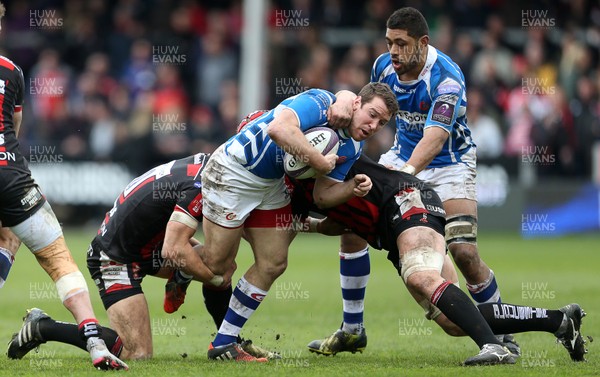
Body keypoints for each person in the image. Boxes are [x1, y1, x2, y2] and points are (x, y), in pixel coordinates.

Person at [315, 6, 514, 354]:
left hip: (450, 163)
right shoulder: (382, 66)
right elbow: (366, 109)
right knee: (352, 221)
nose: (393, 50)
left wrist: (404, 176)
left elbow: (435, 137)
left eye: (401, 43)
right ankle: (352, 329)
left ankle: (505, 337)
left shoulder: (447, 79)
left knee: (464, 252)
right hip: (400, 157)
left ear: (423, 43)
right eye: (389, 41)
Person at [290, 155, 588, 364]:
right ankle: (560, 321)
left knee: (420, 276)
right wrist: (312, 226)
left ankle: (494, 346)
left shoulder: (329, 153)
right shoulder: (296, 190)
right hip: (392, 231)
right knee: (453, 320)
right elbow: (342, 222)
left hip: (406, 201)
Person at [7, 152, 279, 362]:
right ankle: (44, 328)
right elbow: (174, 249)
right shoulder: (206, 184)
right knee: (136, 353)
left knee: (219, 263)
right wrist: (205, 275)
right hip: (113, 258)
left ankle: (227, 342)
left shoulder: (215, 166)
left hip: (146, 246)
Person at [200, 82, 398, 362]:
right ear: (356, 103)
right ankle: (178, 264)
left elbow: (322, 196)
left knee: (274, 262)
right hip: (232, 173)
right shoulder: (319, 102)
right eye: (372, 114)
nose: (373, 125)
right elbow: (278, 129)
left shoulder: (354, 145)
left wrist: (351, 187)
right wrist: (319, 161)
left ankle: (223, 342)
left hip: (270, 186)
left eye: (382, 122)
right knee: (216, 266)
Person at [0, 2, 127, 371]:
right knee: (56, 258)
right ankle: (94, 342)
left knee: (7, 238)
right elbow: (15, 128)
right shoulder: (11, 71)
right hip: (11, 176)